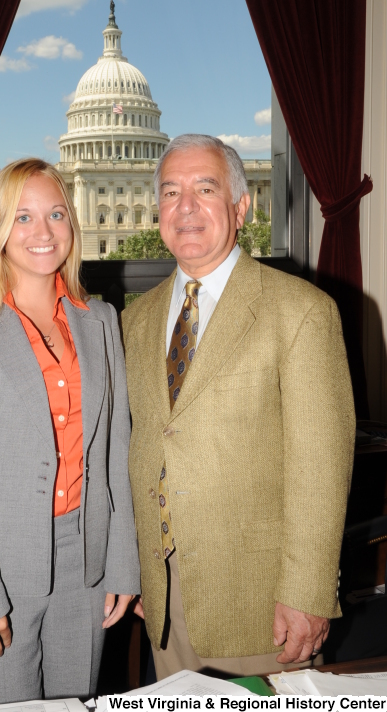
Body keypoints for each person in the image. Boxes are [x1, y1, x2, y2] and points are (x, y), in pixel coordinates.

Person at [120, 134, 355, 679]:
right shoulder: (136, 319)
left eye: (206, 188)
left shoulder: (301, 311)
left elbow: (321, 467)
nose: (186, 207)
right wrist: (137, 569)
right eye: (171, 192)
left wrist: (309, 592)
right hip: (166, 597)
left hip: (262, 602)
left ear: (240, 206)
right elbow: (141, 447)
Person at [0, 158, 140, 709]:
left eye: (56, 214)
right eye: (22, 217)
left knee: (73, 702)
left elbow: (115, 452)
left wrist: (122, 563)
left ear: (73, 224)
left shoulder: (101, 319)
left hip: (84, 561)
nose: (42, 232)